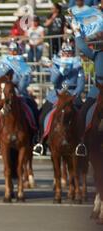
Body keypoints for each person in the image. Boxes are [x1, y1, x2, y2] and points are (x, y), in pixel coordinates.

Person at [33, 41, 85, 156]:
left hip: (72, 94)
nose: (67, 56)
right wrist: (59, 70)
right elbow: (53, 81)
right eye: (65, 53)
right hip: (57, 94)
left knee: (82, 115)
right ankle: (41, 142)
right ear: (61, 54)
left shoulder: (78, 66)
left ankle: (81, 142)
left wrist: (74, 96)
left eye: (69, 53)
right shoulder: (55, 64)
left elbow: (81, 84)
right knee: (42, 116)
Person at [71, 21, 103, 157]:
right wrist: (77, 32)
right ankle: (82, 142)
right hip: (98, 89)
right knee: (83, 111)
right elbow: (83, 47)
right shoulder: (98, 54)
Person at [0, 40, 39, 127]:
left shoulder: (23, 64)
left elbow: (25, 84)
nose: (12, 53)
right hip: (5, 93)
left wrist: (25, 77)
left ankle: (36, 132)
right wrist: (6, 68)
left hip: (20, 93)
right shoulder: (3, 62)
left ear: (18, 51)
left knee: (33, 108)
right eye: (11, 50)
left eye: (15, 51)